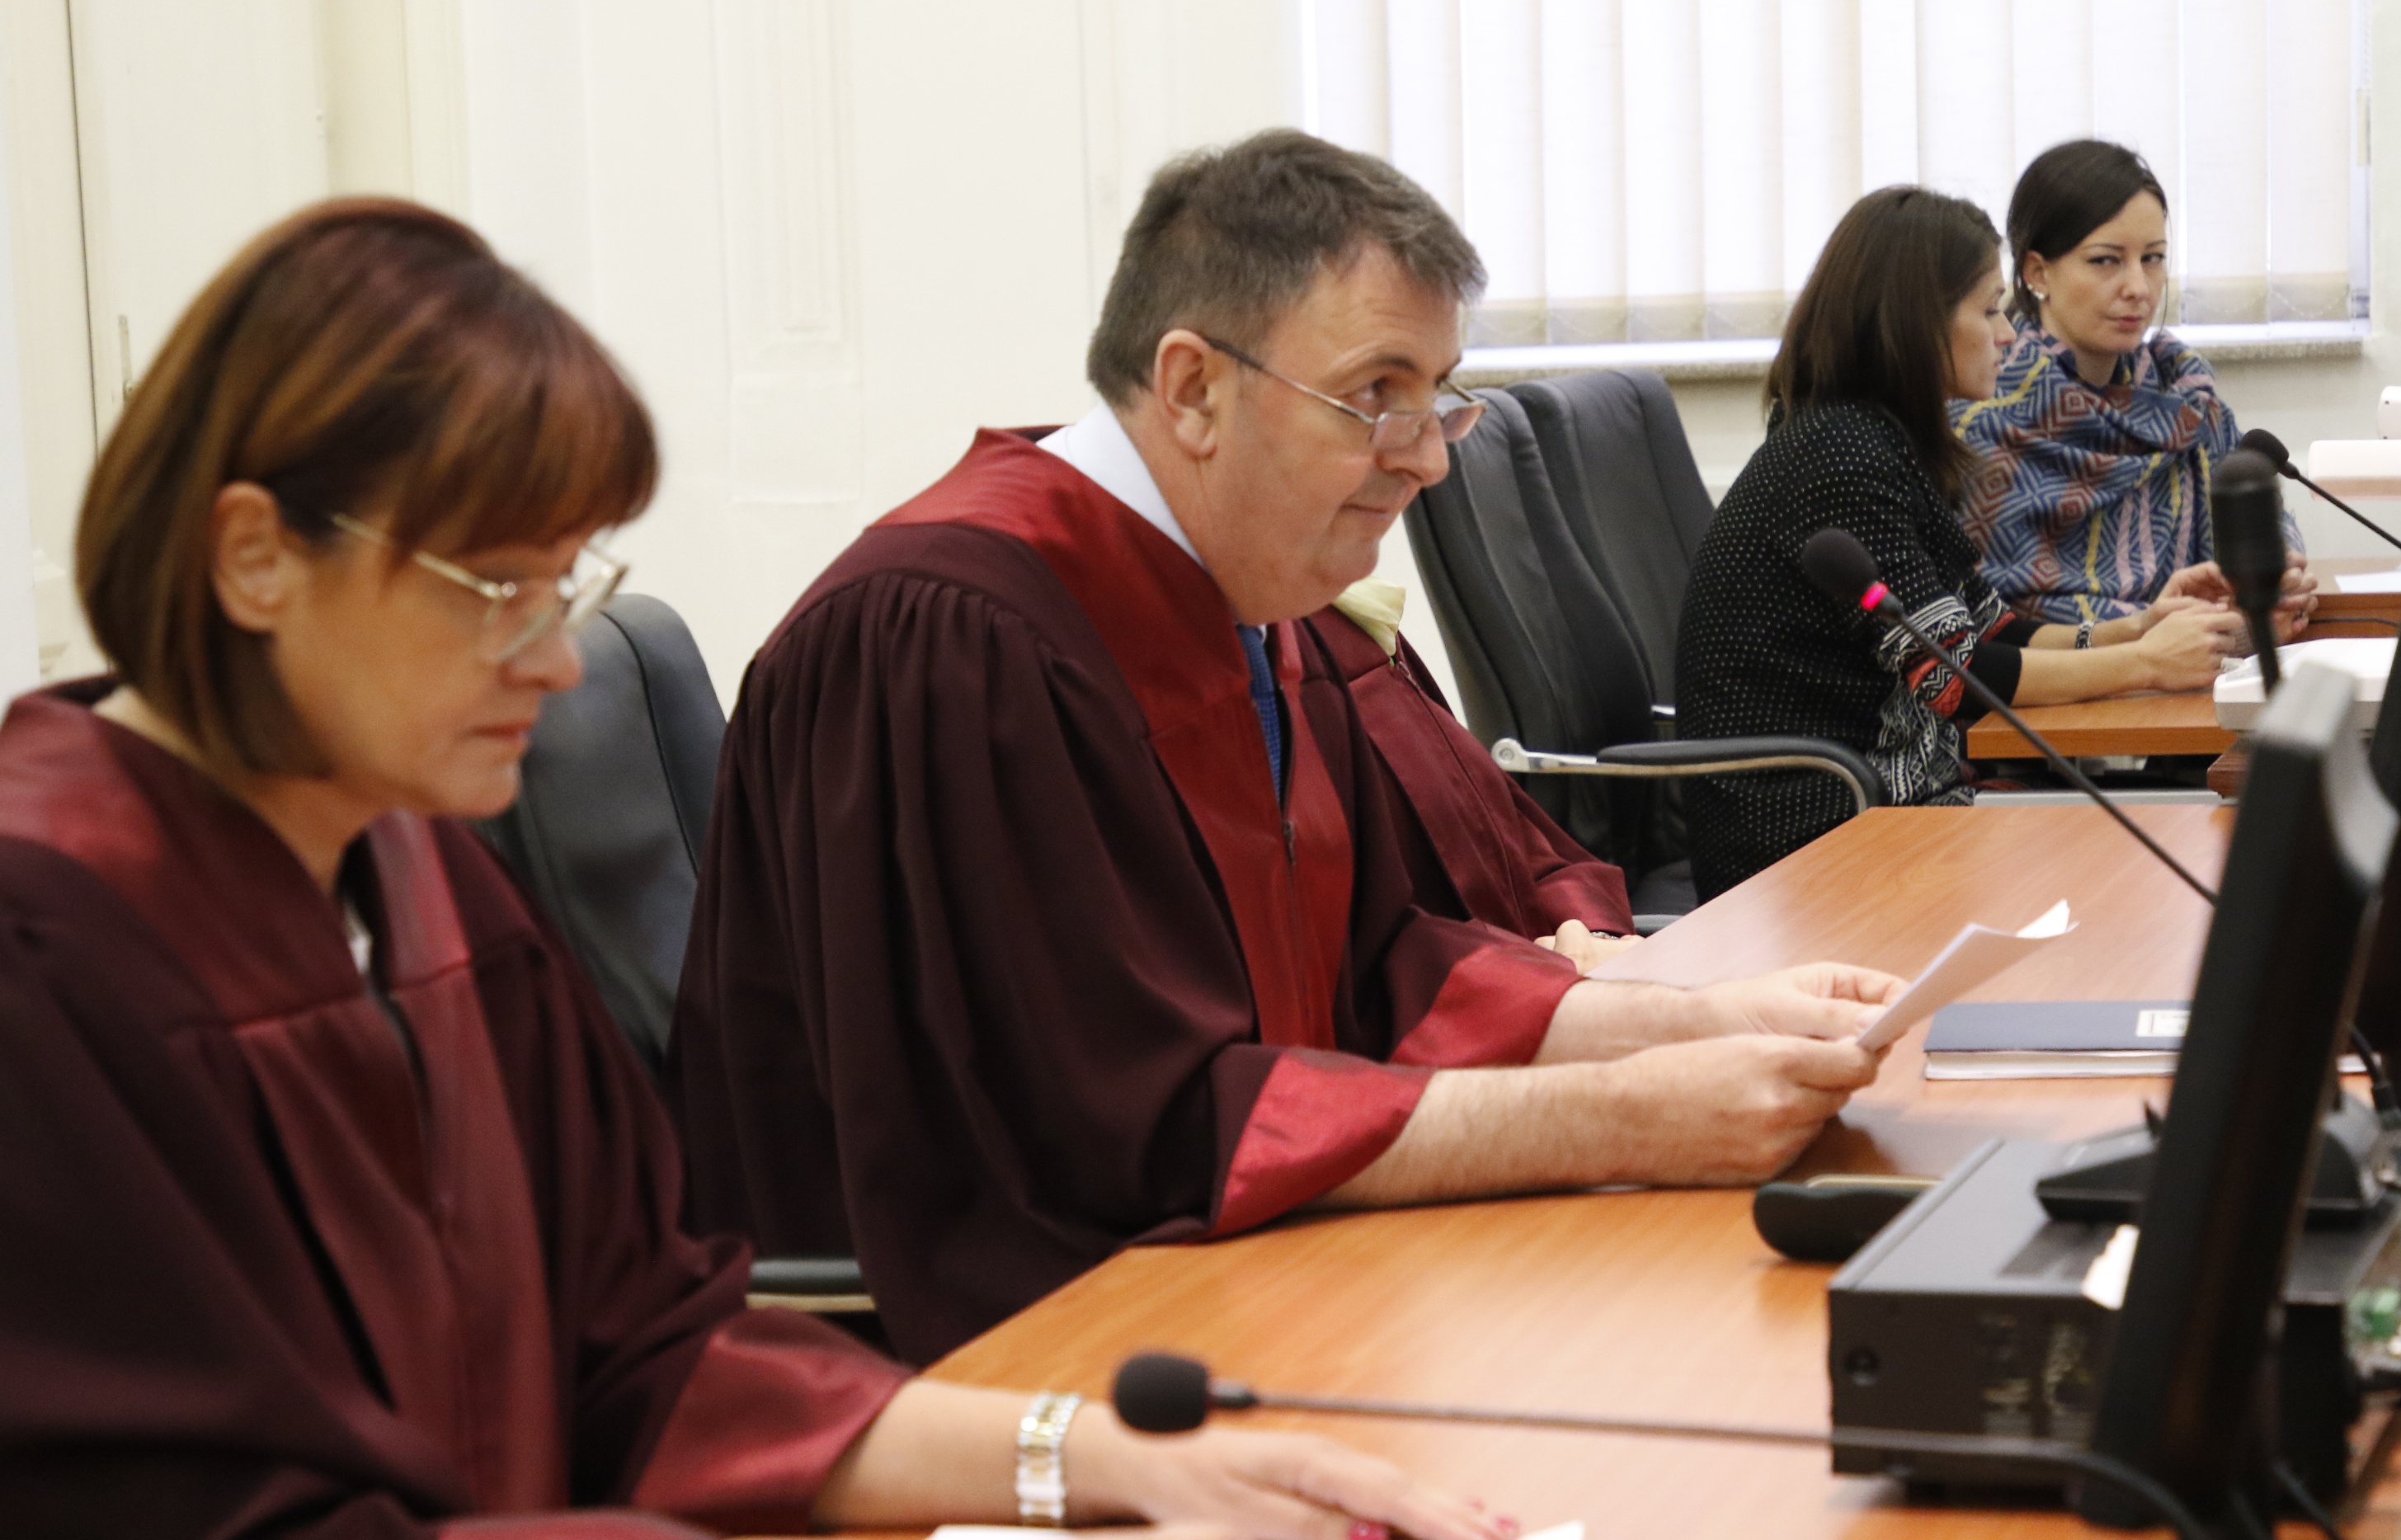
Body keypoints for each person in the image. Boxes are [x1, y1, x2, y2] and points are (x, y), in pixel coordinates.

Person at [0, 198, 1514, 1540]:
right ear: (256, 557)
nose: (558, 664)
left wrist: (1107, 1464)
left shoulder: (419, 883)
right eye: (497, 589)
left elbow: (648, 1361)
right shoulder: (49, 949)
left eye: (567, 584)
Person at [672, 130, 1900, 1364]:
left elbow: (1369, 966)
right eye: (1376, 395)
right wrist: (1622, 1120)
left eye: (1438, 395)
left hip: (1250, 1265)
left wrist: (1688, 1021)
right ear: (1193, 389)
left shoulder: (1247, 600)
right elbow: (1115, 1124)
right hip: (993, 1354)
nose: (1429, 457)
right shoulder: (955, 641)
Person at [1674, 186, 2252, 897]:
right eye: (1988, 310)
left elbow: (1989, 627)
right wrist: (2147, 665)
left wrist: (2137, 628)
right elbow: (1954, 675)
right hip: (1813, 844)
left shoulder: (1886, 441)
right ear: (1916, 325)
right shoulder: (1838, 457)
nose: (2008, 334)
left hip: (1894, 809)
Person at [1955, 139, 2315, 628]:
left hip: (2205, 665)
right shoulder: (1979, 417)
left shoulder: (2186, 399)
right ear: (2037, 272)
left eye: (2153, 258)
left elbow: (2263, 529)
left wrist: (2279, 578)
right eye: (2106, 260)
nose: (2139, 288)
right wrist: (2187, 628)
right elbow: (1990, 619)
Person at [1301, 577, 1634, 942]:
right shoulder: (1299, 672)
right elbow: (1382, 950)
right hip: (1495, 969)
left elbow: (1518, 842)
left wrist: (1593, 932)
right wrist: (1556, 966)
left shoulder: (1360, 621)